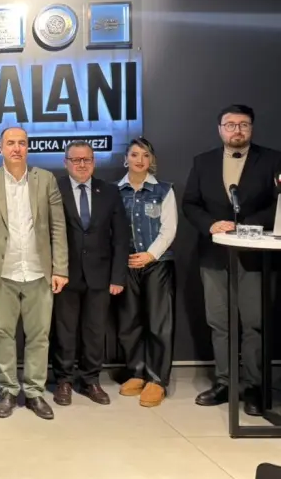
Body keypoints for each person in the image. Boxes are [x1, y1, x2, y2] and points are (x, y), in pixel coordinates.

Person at [183, 104, 281, 415]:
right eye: (230, 125)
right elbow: (190, 203)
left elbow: (278, 203)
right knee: (219, 322)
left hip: (256, 257)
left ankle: (254, 387)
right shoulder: (203, 162)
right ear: (220, 129)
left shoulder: (273, 160)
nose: (237, 130)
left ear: (251, 128)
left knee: (254, 324)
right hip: (214, 256)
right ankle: (225, 382)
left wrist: (247, 225)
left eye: (243, 124)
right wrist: (211, 224)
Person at [0, 127, 68, 420]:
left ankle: (34, 392)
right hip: (2, 273)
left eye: (22, 143)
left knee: (39, 336)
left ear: (28, 148)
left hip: (39, 272)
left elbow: (58, 226)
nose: (16, 148)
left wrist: (60, 268)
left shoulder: (46, 179)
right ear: (0, 147)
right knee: (2, 334)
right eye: (10, 143)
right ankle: (7, 390)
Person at [51, 141, 128, 407]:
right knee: (64, 331)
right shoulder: (54, 189)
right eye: (76, 160)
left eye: (87, 160)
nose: (81, 165)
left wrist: (118, 276)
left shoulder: (109, 191)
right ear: (66, 163)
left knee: (95, 331)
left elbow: (120, 237)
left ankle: (90, 380)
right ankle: (64, 380)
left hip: (101, 275)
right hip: (64, 275)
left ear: (94, 162)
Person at [116, 137, 177, 407]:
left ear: (151, 160)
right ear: (125, 159)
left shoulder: (164, 190)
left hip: (157, 264)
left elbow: (169, 229)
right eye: (134, 154)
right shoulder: (116, 191)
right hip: (127, 265)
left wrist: (150, 255)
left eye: (145, 155)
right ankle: (136, 372)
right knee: (129, 322)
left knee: (158, 323)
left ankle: (157, 380)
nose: (139, 160)